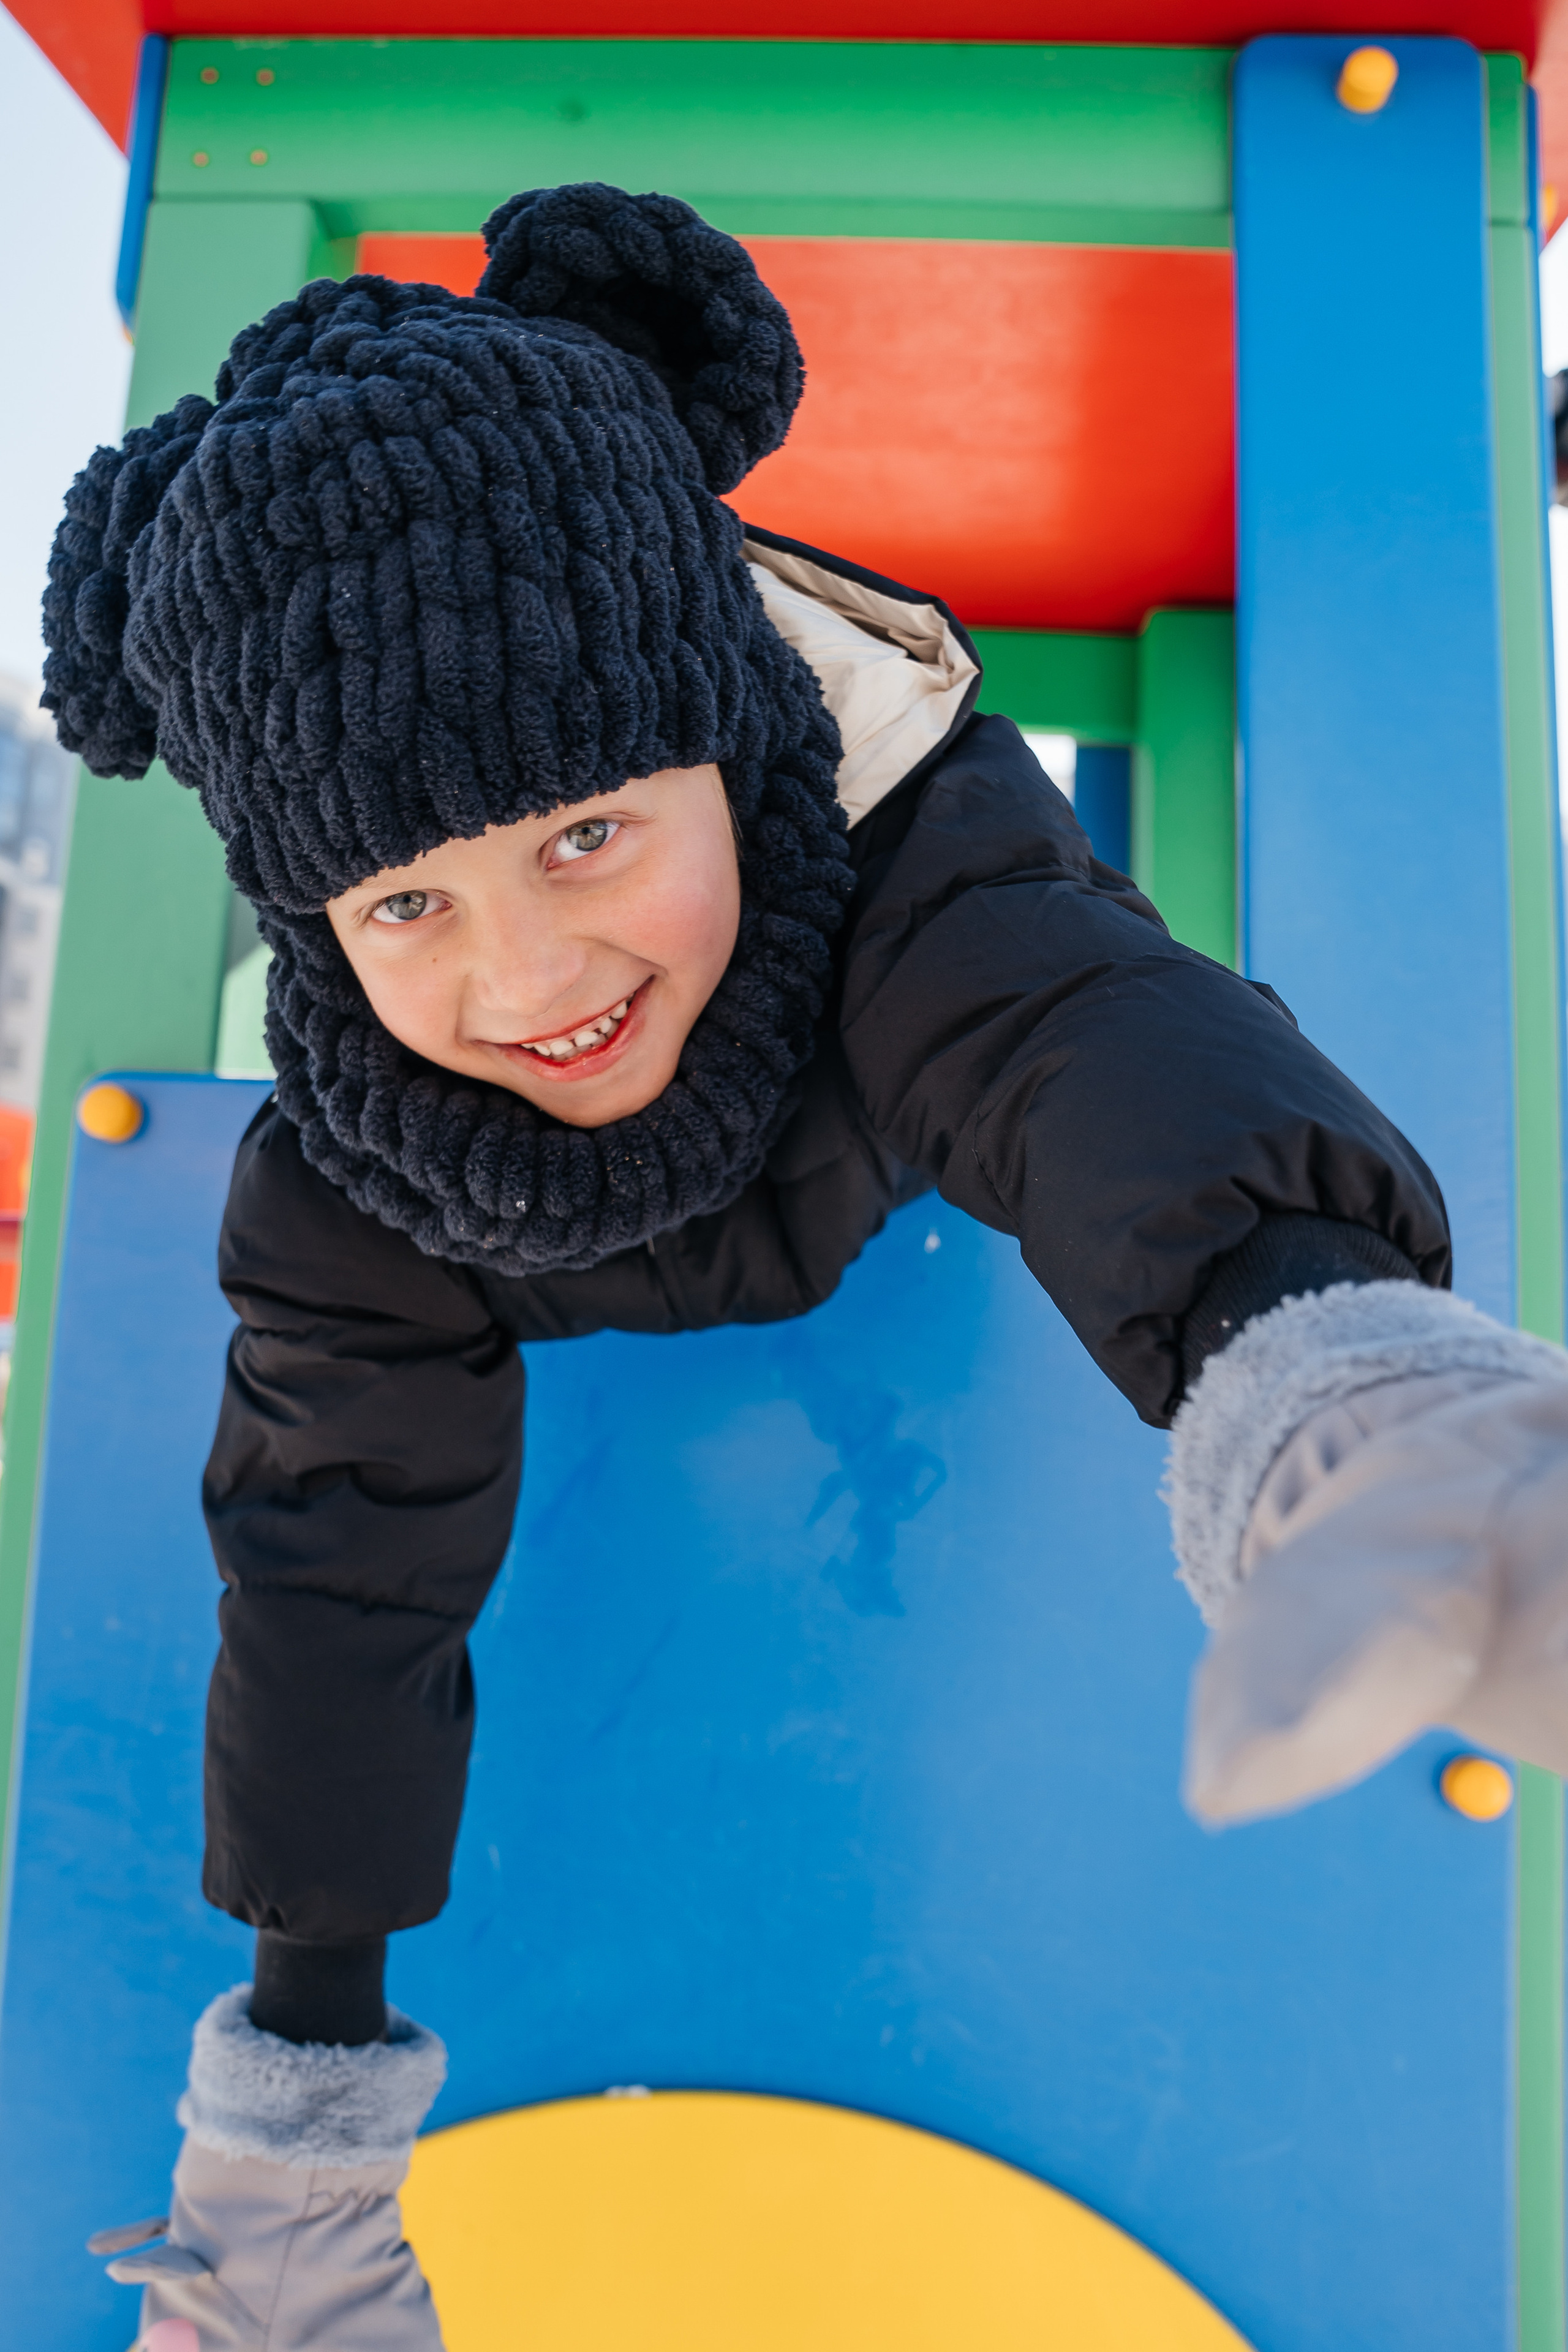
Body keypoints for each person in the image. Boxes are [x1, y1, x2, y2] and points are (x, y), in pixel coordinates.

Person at [43, 181, 1568, 2351]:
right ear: (313, 922)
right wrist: (293, 2111)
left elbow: (1087, 1049)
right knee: (320, 1487)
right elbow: (331, 1568)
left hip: (869, 1121)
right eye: (408, 905)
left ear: (726, 753)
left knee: (1047, 1026)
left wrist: (1346, 1395)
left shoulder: (902, 858)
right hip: (513, 1277)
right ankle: (289, 2217)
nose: (532, 972)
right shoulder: (362, 1155)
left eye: (589, 834)